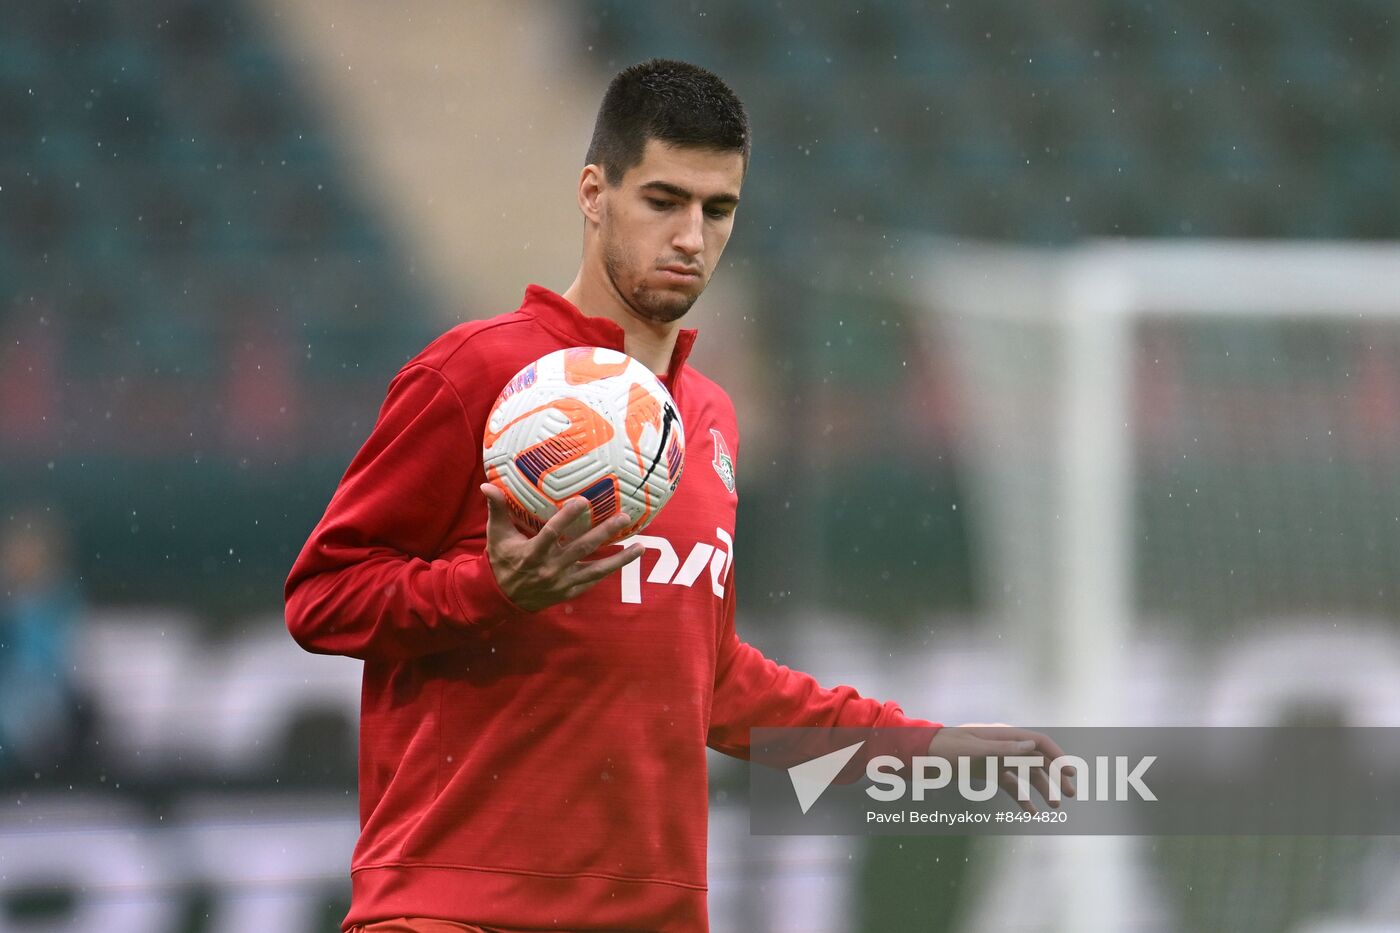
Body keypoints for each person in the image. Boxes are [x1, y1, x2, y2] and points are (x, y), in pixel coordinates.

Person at [286, 59, 1068, 933]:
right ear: (594, 192)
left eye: (717, 208)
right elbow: (322, 597)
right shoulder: (475, 375)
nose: (692, 236)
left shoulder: (709, 419)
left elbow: (714, 678)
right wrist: (490, 591)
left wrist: (916, 747)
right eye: (664, 200)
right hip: (455, 909)